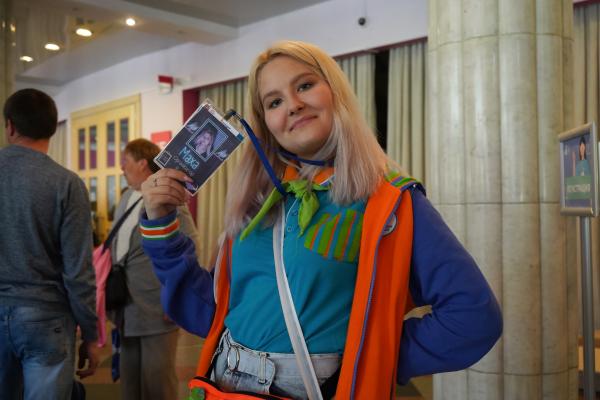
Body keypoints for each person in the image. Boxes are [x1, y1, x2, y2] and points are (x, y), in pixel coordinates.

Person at [139, 41, 503, 399]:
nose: (293, 105)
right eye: (274, 102)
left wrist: (370, 357)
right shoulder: (256, 205)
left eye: (305, 85)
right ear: (266, 125)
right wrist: (161, 221)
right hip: (222, 383)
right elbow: (207, 313)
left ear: (336, 93)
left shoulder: (392, 202)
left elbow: (472, 318)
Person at [0, 88, 99, 399]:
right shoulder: (67, 184)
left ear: (10, 126)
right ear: (53, 128)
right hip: (47, 317)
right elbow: (78, 271)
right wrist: (91, 334)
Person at [111, 138, 201, 400]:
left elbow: (191, 246)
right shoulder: (126, 197)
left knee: (157, 382)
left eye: (125, 161)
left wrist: (177, 298)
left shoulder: (166, 196)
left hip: (157, 307)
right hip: (127, 308)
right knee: (130, 382)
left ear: (142, 163)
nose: (121, 167)